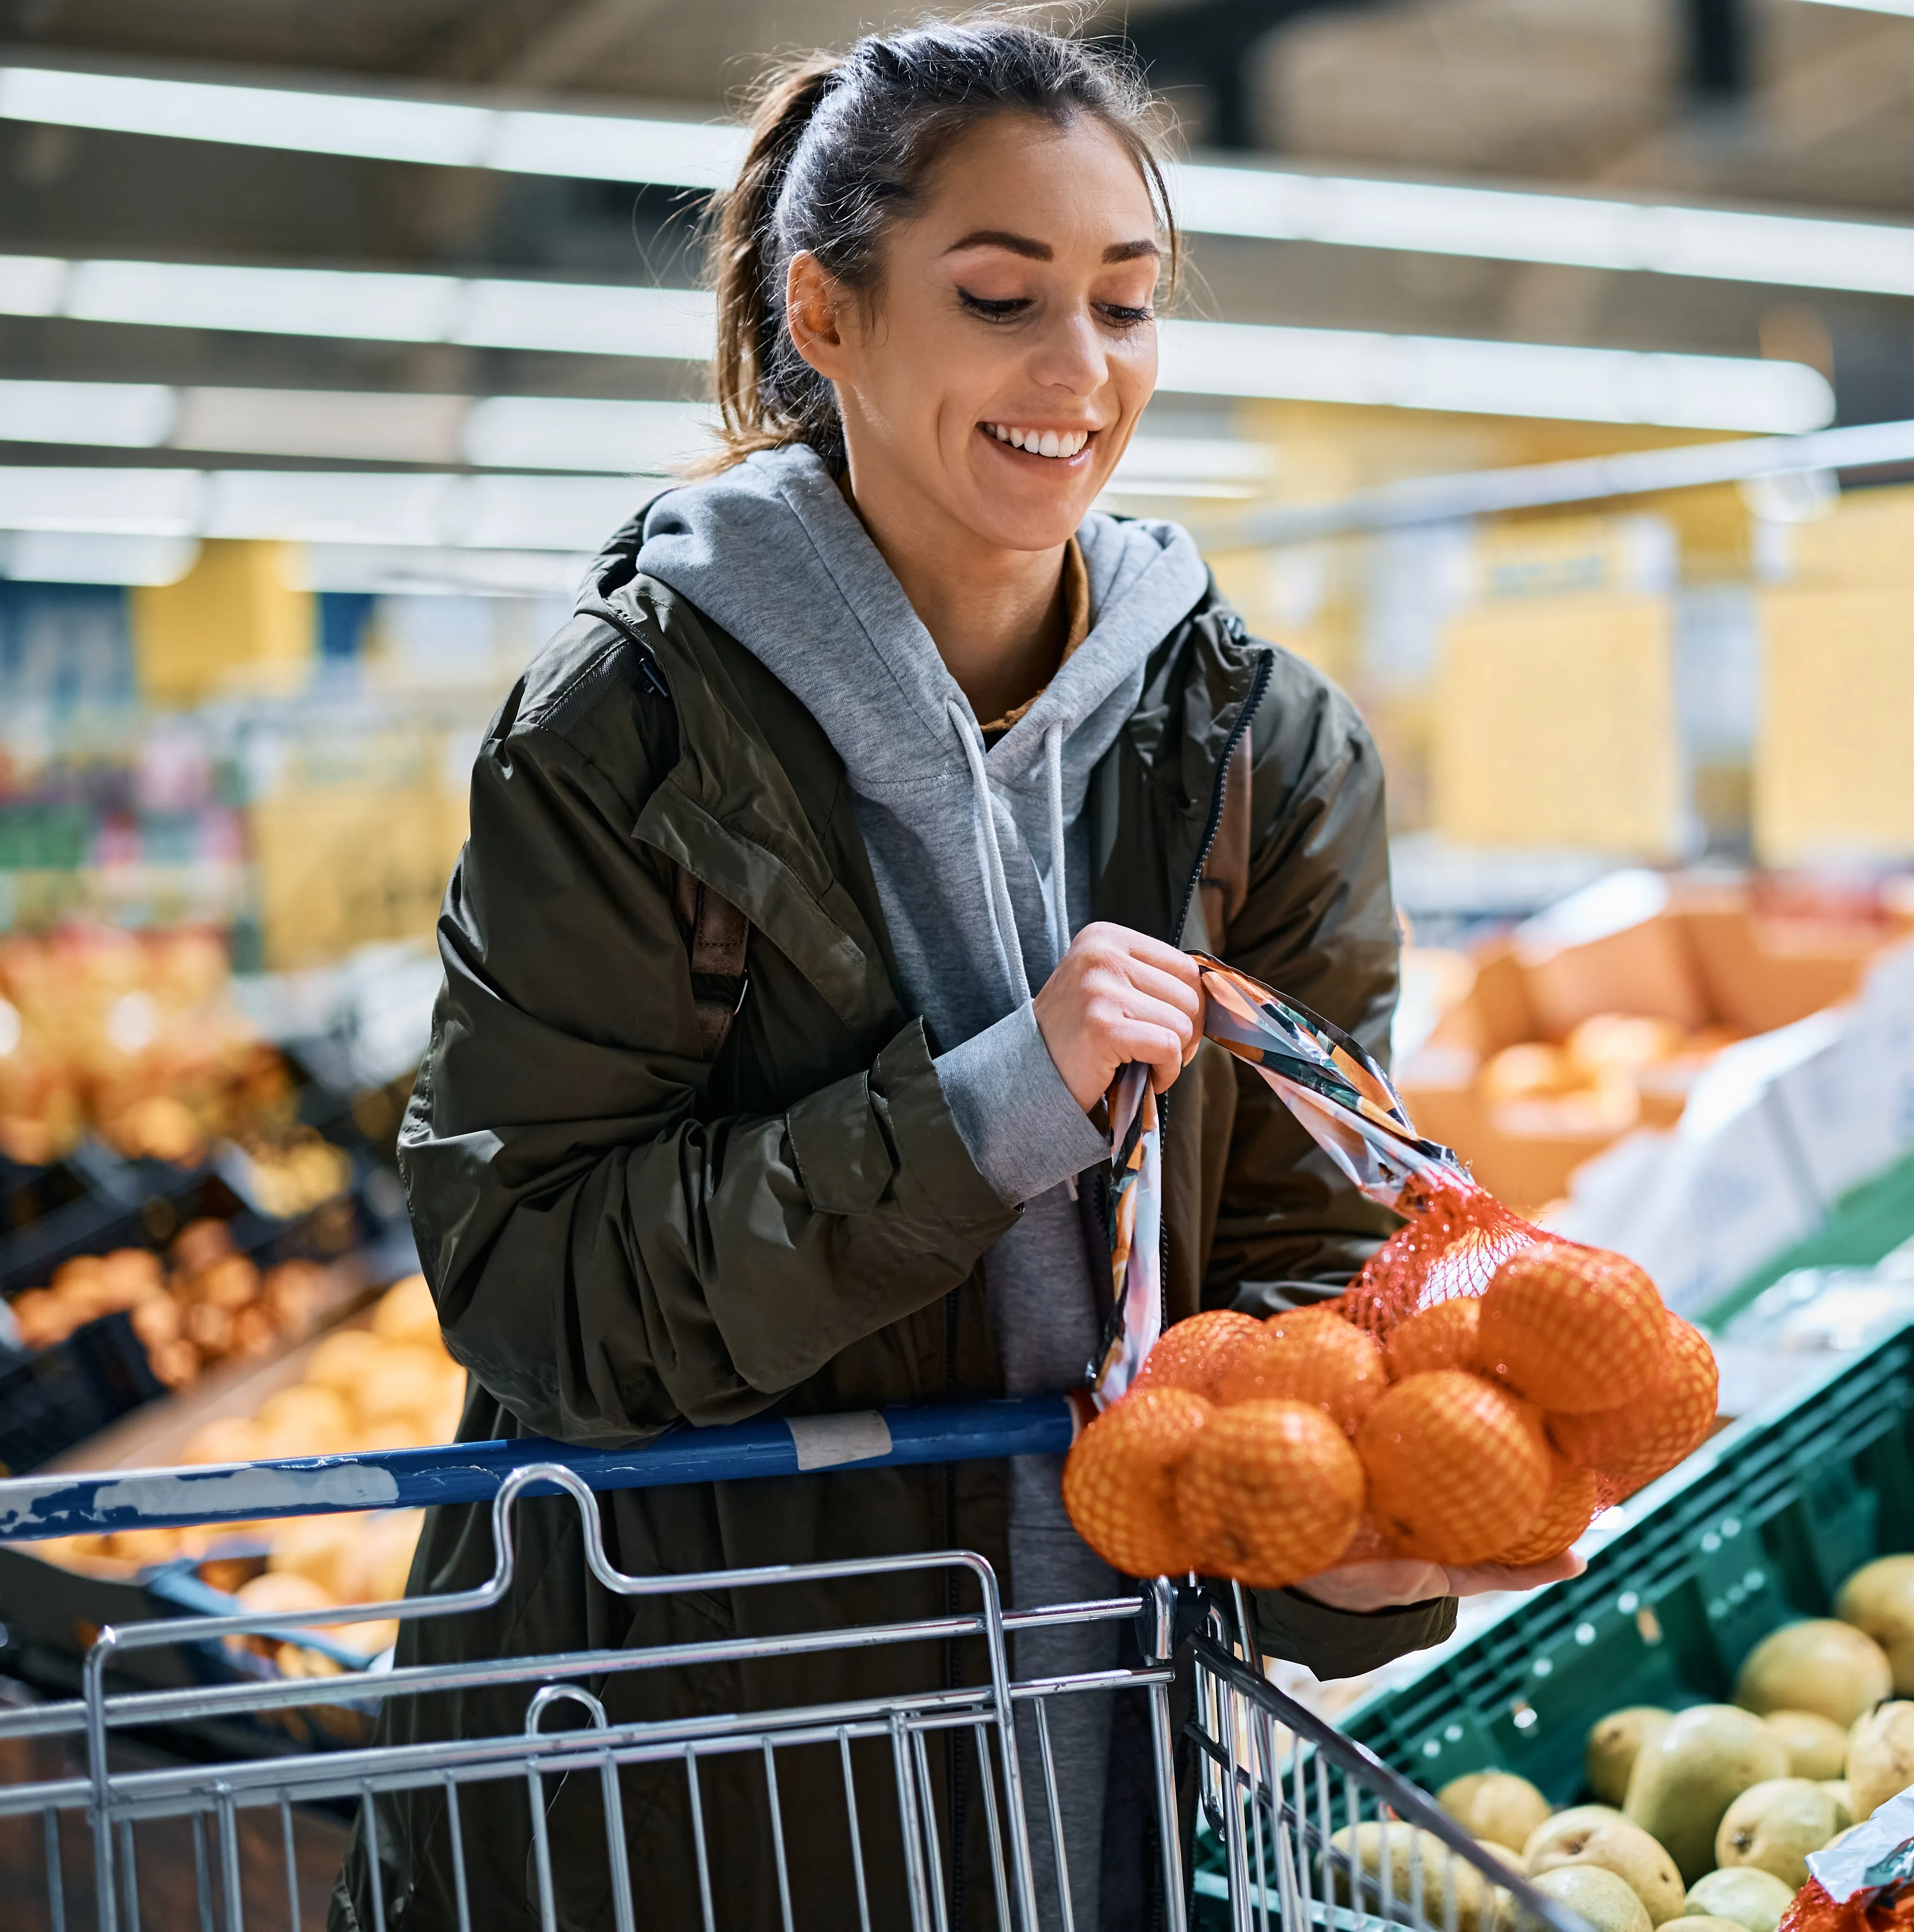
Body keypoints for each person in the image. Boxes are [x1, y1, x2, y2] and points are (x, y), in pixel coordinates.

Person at [334, 19, 1561, 1931]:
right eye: (1002, 298)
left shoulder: (1262, 753)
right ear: (825, 316)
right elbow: (535, 1284)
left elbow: (1302, 1260)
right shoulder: (628, 732)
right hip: (691, 1774)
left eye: (1129, 306)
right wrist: (996, 1107)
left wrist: (1344, 1525)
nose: (1079, 371)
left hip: (1098, 1760)